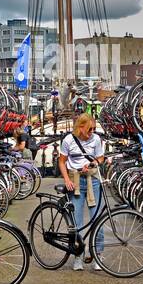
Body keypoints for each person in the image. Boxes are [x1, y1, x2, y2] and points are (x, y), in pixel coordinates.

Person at [58, 112, 105, 271]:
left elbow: (100, 158)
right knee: (76, 223)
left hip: (93, 181)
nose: (92, 131)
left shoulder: (96, 139)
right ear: (80, 127)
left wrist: (92, 163)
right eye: (89, 129)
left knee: (97, 219)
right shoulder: (69, 140)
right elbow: (62, 161)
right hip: (76, 181)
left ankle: (97, 255)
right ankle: (77, 256)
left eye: (93, 128)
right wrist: (67, 180)